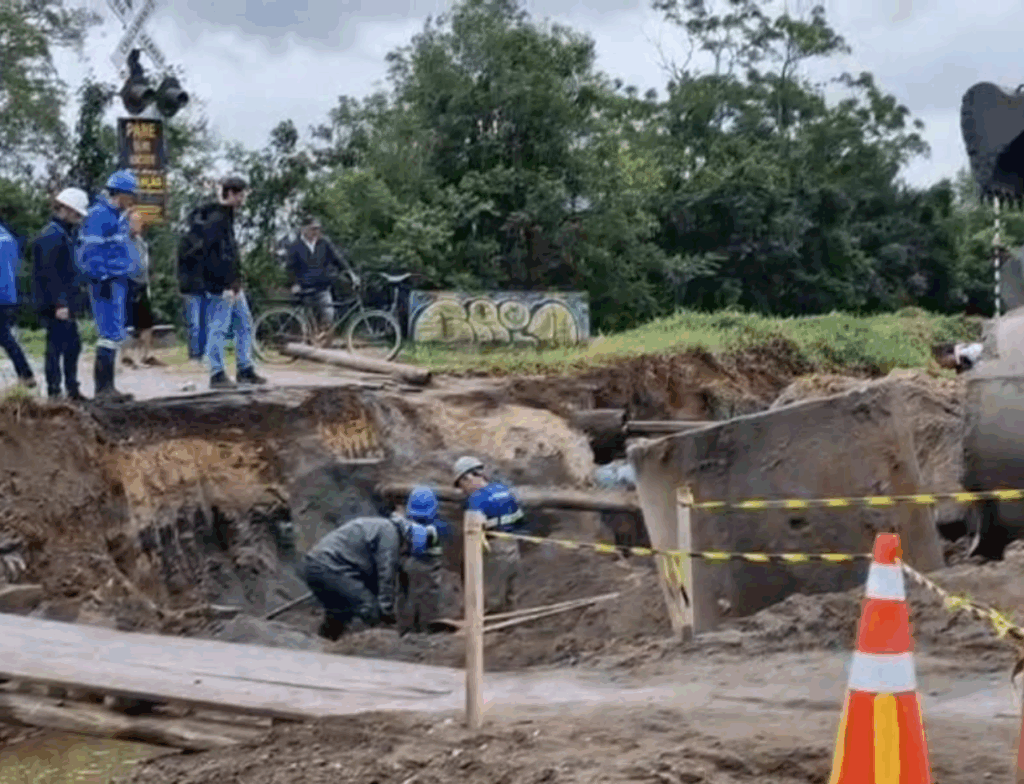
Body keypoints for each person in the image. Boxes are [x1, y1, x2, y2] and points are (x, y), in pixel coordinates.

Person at [303, 514, 440, 640]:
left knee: (340, 612)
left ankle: (323, 642)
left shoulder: (385, 527)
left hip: (318, 564)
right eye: (407, 551)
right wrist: (385, 613)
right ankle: (381, 648)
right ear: (407, 542)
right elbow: (386, 576)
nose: (404, 555)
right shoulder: (390, 536)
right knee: (369, 606)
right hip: (328, 566)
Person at [190, 175, 267, 390]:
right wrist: (226, 283)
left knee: (244, 323)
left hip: (232, 283)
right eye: (241, 195)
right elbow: (213, 255)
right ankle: (217, 373)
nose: (243, 200)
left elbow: (229, 252)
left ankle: (245, 368)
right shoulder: (217, 219)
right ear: (231, 194)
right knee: (219, 327)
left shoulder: (226, 216)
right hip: (221, 284)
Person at [79, 170, 141, 403]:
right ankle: (102, 388)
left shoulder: (118, 216)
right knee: (108, 333)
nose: (132, 200)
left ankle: (109, 387)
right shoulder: (99, 215)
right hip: (105, 282)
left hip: (119, 281)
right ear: (121, 193)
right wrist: (102, 278)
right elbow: (91, 252)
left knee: (115, 333)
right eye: (130, 195)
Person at [30, 187, 90, 400]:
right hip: (56, 303)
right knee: (57, 347)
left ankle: (70, 388)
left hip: (62, 301)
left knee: (72, 345)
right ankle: (55, 391)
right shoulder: (52, 235)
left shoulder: (62, 233)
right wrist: (60, 303)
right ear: (65, 209)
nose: (78, 218)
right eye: (76, 213)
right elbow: (50, 273)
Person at [452, 456, 527, 614]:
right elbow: (520, 520)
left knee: (490, 594)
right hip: (513, 545)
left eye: (461, 484)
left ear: (468, 477)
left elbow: (473, 531)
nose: (462, 490)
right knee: (511, 592)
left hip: (494, 549)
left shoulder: (477, 499)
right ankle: (510, 628)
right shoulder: (504, 491)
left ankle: (488, 631)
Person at [285, 217, 359, 338]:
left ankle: (321, 339)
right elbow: (290, 268)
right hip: (305, 288)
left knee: (329, 314)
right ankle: (306, 341)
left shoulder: (324, 243)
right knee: (307, 320)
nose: (316, 232)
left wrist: (350, 272)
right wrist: (294, 283)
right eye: (313, 229)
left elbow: (337, 259)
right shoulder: (296, 246)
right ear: (304, 229)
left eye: (318, 229)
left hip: (322, 287)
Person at [396, 486, 451, 634]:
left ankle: (406, 629)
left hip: (412, 562)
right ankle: (425, 629)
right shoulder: (440, 526)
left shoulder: (410, 526)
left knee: (407, 596)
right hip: (430, 565)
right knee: (428, 598)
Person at [123, 209, 163, 368]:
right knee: (126, 323)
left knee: (147, 323)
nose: (138, 225)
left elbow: (145, 263)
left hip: (142, 284)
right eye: (135, 222)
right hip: (127, 284)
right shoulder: (123, 241)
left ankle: (145, 356)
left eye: (140, 222)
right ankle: (126, 357)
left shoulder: (141, 242)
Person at [0, 218, 36, 390]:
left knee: (6, 338)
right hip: (9, 295)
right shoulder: (9, 237)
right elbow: (15, 265)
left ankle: (26, 375)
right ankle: (26, 375)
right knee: (6, 338)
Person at [177, 203, 209, 363]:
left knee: (204, 323)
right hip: (190, 287)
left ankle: (203, 353)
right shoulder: (186, 240)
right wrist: (196, 249)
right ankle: (194, 354)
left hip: (205, 286)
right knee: (194, 324)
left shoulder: (208, 239)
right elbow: (183, 260)